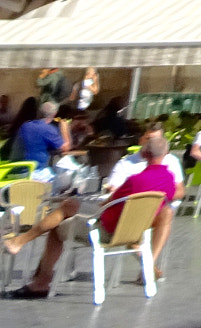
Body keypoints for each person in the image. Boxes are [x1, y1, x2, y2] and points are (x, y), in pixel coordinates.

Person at [4, 131, 179, 299]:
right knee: (69, 207)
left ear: (145, 153)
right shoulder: (169, 180)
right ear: (167, 154)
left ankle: (35, 269)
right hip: (134, 232)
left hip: (107, 231)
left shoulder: (135, 181)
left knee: (60, 220)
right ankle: (30, 260)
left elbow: (106, 205)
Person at [15, 101, 66, 179]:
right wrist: (65, 126)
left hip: (21, 169)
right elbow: (65, 147)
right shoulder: (49, 129)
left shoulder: (25, 125)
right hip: (38, 171)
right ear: (55, 114)